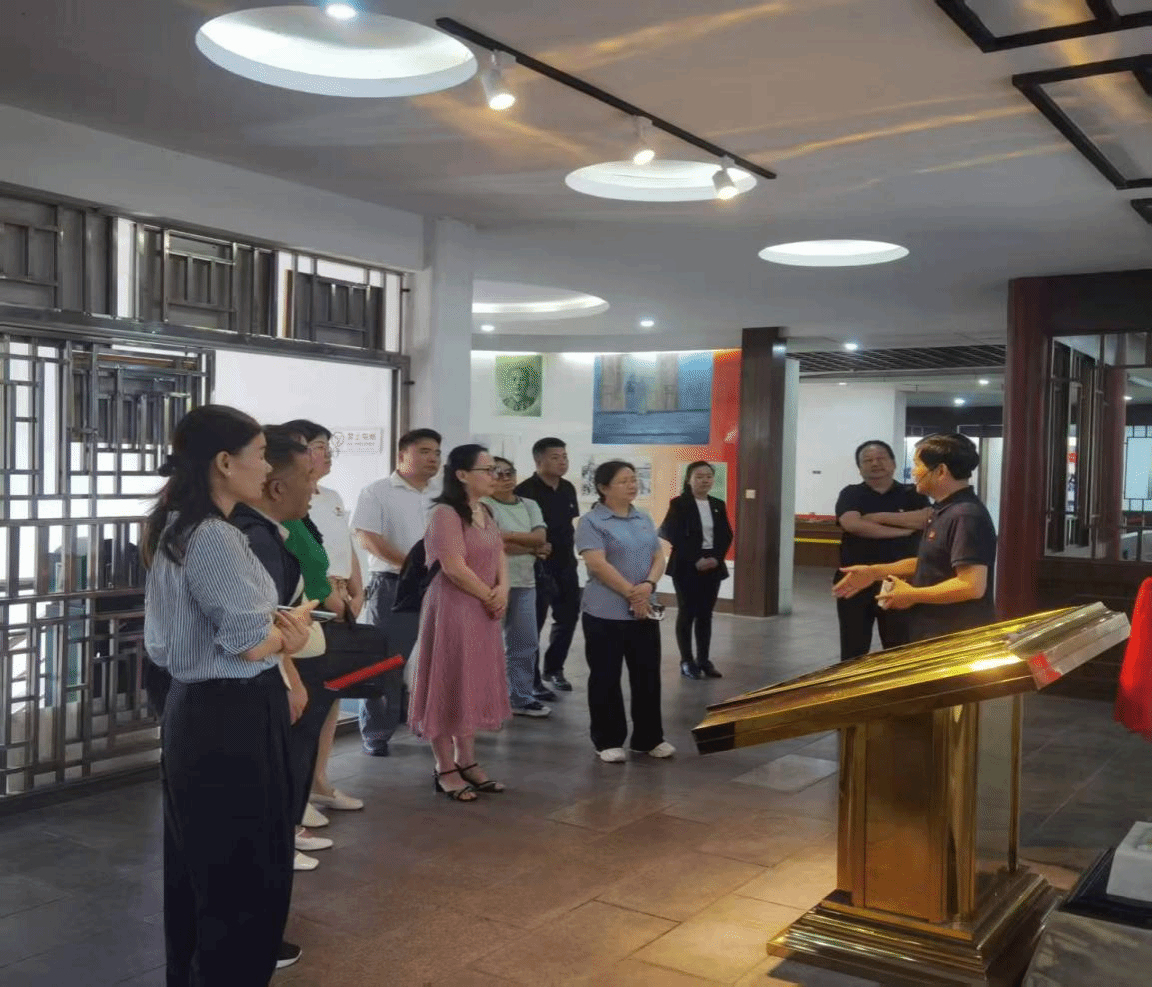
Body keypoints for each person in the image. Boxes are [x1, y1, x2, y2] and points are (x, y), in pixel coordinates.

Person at [143, 405, 315, 984]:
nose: (266, 467)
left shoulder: (180, 525)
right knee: (242, 875)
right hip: (229, 714)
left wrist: (274, 631)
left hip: (205, 711)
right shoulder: (214, 535)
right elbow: (247, 642)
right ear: (224, 462)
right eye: (260, 455)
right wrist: (288, 634)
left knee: (206, 872)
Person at [230, 426, 334, 873]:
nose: (314, 489)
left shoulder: (264, 531)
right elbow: (260, 628)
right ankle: (274, 844)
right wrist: (289, 675)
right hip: (247, 681)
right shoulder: (247, 535)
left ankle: (282, 836)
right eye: (307, 479)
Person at [408, 445, 512, 801]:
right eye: (488, 470)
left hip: (483, 609)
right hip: (453, 608)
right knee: (448, 680)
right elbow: (453, 567)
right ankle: (444, 767)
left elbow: (500, 554)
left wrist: (503, 591)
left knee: (472, 680)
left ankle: (466, 759)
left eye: (497, 469)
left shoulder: (485, 510)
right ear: (462, 475)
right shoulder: (445, 513)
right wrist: (489, 596)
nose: (495, 476)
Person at [833, 434, 997, 643]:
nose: (913, 472)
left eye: (918, 465)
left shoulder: (964, 515)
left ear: (940, 471)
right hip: (931, 627)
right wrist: (874, 572)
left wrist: (912, 595)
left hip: (954, 634)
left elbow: (971, 585)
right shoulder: (944, 510)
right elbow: (930, 563)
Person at [282, 419, 366, 815]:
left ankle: (318, 781)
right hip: (312, 603)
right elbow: (307, 560)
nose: (326, 453)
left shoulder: (330, 496)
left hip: (341, 599)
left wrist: (358, 591)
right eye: (317, 446)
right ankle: (295, 796)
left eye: (328, 447)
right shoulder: (288, 500)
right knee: (305, 701)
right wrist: (333, 599)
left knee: (330, 698)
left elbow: (346, 546)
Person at [351, 428, 442, 756]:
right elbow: (368, 538)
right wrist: (413, 566)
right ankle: (377, 732)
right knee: (387, 660)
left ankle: (429, 724)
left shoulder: (442, 494)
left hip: (439, 585)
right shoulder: (377, 492)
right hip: (393, 585)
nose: (433, 458)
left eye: (437, 453)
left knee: (436, 659)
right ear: (402, 455)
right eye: (424, 451)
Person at [576, 460, 674, 763]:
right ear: (603, 488)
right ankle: (607, 739)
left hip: (643, 611)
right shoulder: (591, 522)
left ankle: (649, 738)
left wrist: (648, 585)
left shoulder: (643, 517)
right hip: (605, 612)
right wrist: (632, 593)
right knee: (605, 677)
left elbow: (658, 556)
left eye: (634, 479)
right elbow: (597, 564)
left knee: (647, 677)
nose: (632, 485)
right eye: (624, 481)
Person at [832, 440, 931, 660]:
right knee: (853, 648)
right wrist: (903, 531)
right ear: (859, 468)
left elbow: (925, 518)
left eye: (881, 458)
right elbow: (852, 524)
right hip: (855, 581)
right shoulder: (851, 493)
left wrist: (877, 517)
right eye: (867, 460)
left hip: (899, 581)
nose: (875, 463)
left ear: (893, 463)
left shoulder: (912, 492)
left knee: (899, 647)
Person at [483, 456, 551, 717]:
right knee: (487, 645)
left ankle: (520, 697)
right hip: (492, 585)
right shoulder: (483, 506)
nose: (505, 478)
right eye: (498, 473)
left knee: (525, 642)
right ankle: (485, 700)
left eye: (509, 472)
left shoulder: (529, 504)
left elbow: (540, 537)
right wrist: (530, 546)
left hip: (525, 582)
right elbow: (491, 544)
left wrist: (508, 537)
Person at [515, 437, 581, 694]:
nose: (562, 462)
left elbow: (569, 524)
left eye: (565, 457)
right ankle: (531, 680)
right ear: (538, 460)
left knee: (568, 617)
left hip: (566, 564)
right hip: (537, 566)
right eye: (555, 457)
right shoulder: (524, 491)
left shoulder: (567, 488)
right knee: (533, 623)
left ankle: (554, 668)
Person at [659, 461, 733, 680]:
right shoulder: (679, 504)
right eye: (699, 476)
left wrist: (715, 558)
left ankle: (704, 660)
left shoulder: (717, 504)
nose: (704, 480)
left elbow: (726, 535)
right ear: (689, 479)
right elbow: (672, 533)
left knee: (705, 614)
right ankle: (687, 661)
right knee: (687, 612)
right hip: (686, 565)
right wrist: (695, 559)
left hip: (713, 564)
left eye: (708, 476)